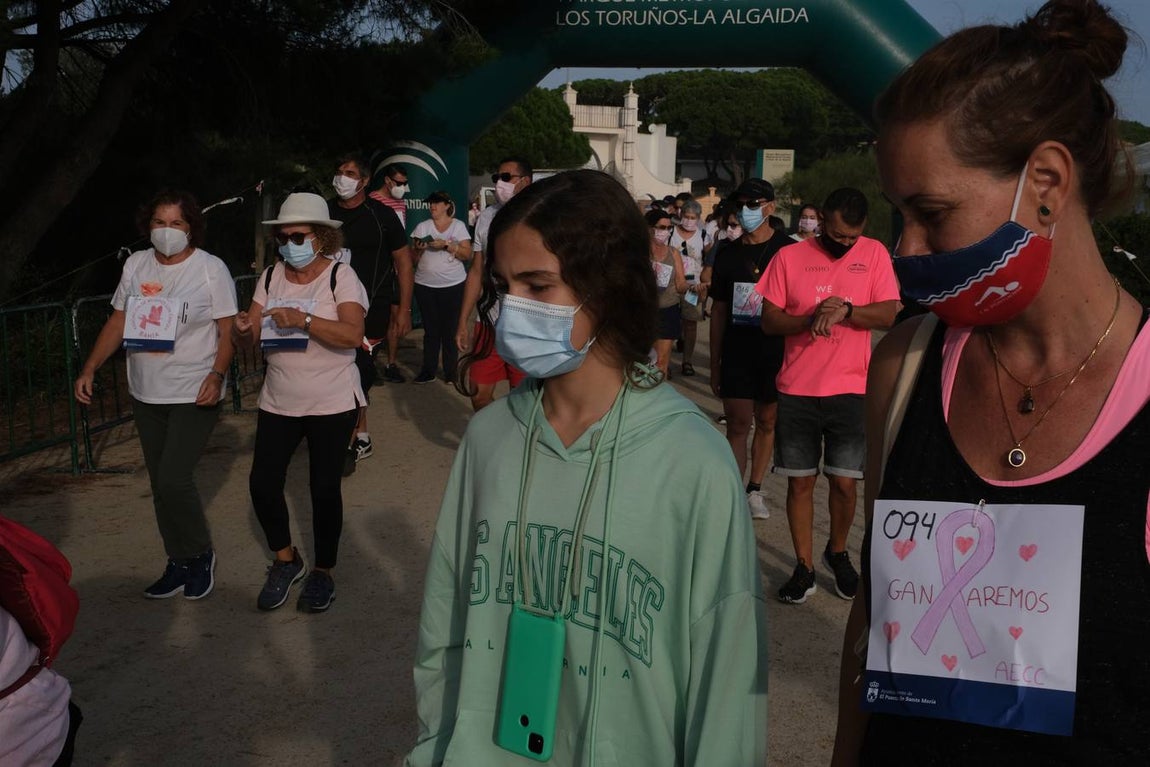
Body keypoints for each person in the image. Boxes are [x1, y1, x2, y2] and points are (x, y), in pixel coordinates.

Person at [834, 1, 1150, 762]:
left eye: (931, 212)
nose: (906, 248)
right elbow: (873, 616)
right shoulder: (905, 365)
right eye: (899, 214)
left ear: (1047, 181)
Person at [407, 170, 767, 766]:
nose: (513, 307)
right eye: (504, 286)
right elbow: (444, 624)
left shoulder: (694, 460)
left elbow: (727, 673)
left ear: (608, 286)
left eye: (538, 285)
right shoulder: (488, 439)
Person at [74, 189, 236, 600]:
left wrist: (217, 374)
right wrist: (90, 367)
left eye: (176, 223)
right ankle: (177, 561)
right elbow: (119, 320)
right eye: (159, 223)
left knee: (173, 479)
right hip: (146, 390)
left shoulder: (210, 269)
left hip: (193, 388)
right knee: (161, 486)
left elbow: (227, 330)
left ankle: (200, 554)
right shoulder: (136, 264)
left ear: (191, 228)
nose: (167, 230)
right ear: (147, 226)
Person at [757, 188, 900, 604]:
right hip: (797, 390)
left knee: (845, 483)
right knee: (801, 483)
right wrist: (811, 318)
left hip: (852, 390)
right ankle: (803, 567)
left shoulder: (874, 253)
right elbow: (769, 321)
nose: (845, 243)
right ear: (820, 220)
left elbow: (889, 313)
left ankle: (837, 552)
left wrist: (848, 311)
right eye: (837, 235)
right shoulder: (789, 257)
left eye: (852, 237)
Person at [233, 192, 369, 613]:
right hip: (279, 399)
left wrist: (304, 320)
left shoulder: (341, 277)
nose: (289, 244)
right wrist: (242, 330)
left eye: (298, 236)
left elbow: (353, 335)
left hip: (331, 400)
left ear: (321, 237)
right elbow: (250, 337)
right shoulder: (270, 276)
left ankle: (323, 571)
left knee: (323, 488)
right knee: (262, 484)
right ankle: (286, 559)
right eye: (283, 237)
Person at [707, 179, 794, 520]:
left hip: (775, 350)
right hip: (737, 350)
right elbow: (718, 311)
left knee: (767, 420)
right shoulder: (727, 254)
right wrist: (715, 364)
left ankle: (754, 489)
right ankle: (732, 490)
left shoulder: (789, 251)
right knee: (738, 423)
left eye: (753, 204)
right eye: (741, 204)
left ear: (770, 207)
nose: (746, 211)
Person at [328, 155, 413, 473]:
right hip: (327, 307)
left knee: (358, 371)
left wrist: (403, 309)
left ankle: (351, 439)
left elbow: (404, 263)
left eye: (350, 173)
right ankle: (356, 432)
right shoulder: (323, 212)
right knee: (335, 371)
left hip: (371, 308)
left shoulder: (383, 216)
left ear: (364, 181)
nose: (342, 178)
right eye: (339, 171)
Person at [454, 157, 532, 410]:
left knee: (523, 400)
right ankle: (494, 430)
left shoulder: (540, 217)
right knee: (478, 394)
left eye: (506, 177)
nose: (500, 183)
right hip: (488, 320)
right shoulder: (486, 216)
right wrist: (463, 321)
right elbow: (476, 271)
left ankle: (514, 432)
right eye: (497, 177)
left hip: (526, 324)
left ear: (525, 181)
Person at [410, 191, 471, 384]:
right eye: (430, 203)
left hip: (453, 285)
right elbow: (412, 259)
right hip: (424, 285)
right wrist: (418, 249)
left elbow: (467, 254)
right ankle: (428, 370)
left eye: (436, 202)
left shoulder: (458, 225)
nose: (432, 206)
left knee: (450, 329)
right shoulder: (422, 226)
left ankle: (450, 372)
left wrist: (446, 245)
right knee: (431, 330)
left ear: (447, 205)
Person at [369, 162, 415, 385]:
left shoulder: (401, 203)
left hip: (396, 270)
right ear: (387, 181)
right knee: (374, 317)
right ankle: (369, 364)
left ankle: (391, 364)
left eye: (405, 184)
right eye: (399, 183)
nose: (402, 188)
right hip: (377, 270)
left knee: (395, 317)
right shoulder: (372, 201)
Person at [670, 198, 709, 376]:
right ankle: (664, 360)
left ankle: (687, 361)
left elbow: (709, 260)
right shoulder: (671, 232)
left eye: (693, 217)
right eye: (686, 216)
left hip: (693, 287)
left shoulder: (703, 236)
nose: (689, 220)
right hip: (672, 285)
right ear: (681, 215)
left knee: (690, 323)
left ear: (698, 218)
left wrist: (705, 286)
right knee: (669, 322)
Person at [647, 208, 688, 376]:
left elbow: (680, 283)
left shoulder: (673, 252)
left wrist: (692, 288)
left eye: (669, 228)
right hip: (644, 311)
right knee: (643, 360)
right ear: (649, 228)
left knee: (661, 361)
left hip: (668, 310)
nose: (666, 231)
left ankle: (659, 389)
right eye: (661, 227)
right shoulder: (637, 252)